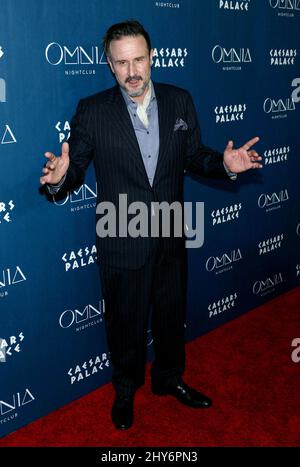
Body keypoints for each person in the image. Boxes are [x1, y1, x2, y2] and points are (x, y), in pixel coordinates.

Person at [40, 20, 262, 430]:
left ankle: (169, 379)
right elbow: (74, 170)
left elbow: (195, 156)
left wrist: (226, 166)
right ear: (109, 65)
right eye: (121, 62)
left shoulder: (180, 101)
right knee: (125, 321)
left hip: (171, 231)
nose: (132, 71)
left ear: (152, 57)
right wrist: (58, 180)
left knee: (170, 314)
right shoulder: (92, 112)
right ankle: (125, 391)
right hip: (120, 235)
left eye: (139, 59)